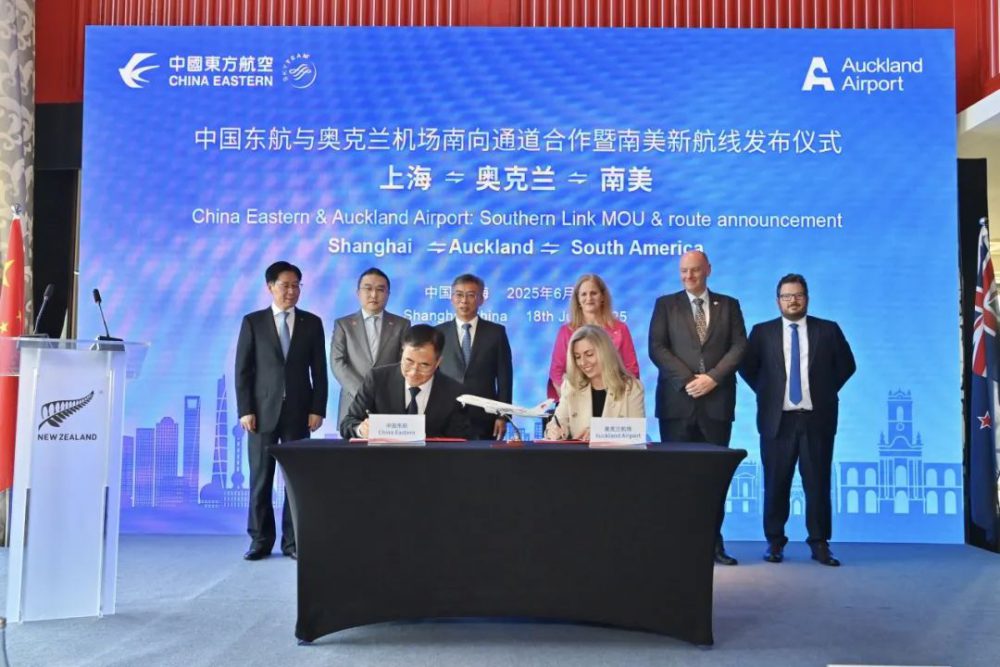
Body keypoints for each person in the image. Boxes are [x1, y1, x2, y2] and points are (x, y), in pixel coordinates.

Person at [739, 274, 856, 567]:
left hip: (817, 420)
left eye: (798, 295)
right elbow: (748, 369)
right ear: (777, 300)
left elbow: (847, 366)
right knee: (775, 483)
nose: (793, 301)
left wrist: (824, 391)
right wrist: (769, 393)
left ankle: (820, 544)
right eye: (786, 296)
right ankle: (774, 542)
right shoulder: (762, 332)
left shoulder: (827, 330)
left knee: (817, 483)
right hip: (777, 421)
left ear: (807, 298)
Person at [648, 249, 746, 565]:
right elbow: (657, 348)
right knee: (676, 480)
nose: (688, 276)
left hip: (717, 404)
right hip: (677, 404)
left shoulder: (729, 305)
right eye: (683, 271)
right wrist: (690, 380)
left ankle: (713, 544)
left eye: (695, 270)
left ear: (708, 270)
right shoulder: (666, 305)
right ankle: (678, 546)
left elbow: (739, 346)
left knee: (714, 480)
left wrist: (713, 378)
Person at [235, 261, 328, 561]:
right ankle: (260, 541)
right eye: (285, 285)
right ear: (270, 287)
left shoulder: (312, 323)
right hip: (261, 414)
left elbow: (320, 371)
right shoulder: (253, 322)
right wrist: (245, 409)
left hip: (299, 412)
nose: (291, 291)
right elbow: (243, 370)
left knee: (294, 481)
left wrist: (317, 408)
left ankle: (293, 542)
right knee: (260, 479)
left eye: (296, 285)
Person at [341, 324, 468, 439]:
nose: (413, 372)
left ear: (438, 362)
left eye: (424, 365)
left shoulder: (454, 392)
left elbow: (460, 439)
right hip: (382, 455)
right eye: (409, 361)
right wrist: (361, 430)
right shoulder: (377, 379)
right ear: (402, 352)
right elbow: (348, 422)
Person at [435, 274, 513, 440]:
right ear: (451, 298)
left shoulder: (496, 333)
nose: (464, 301)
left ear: (481, 299)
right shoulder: (438, 332)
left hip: (485, 417)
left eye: (471, 295)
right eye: (459, 295)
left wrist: (503, 416)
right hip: (446, 415)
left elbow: (505, 378)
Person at [330, 267, 410, 427]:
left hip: (388, 402)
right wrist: (363, 393)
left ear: (388, 294)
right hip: (353, 401)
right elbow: (337, 363)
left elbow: (404, 362)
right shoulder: (344, 324)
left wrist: (381, 394)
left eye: (380, 290)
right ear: (358, 293)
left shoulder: (401, 324)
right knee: (351, 442)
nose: (374, 295)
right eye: (368, 288)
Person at [548, 274, 639, 401]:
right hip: (576, 400)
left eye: (593, 293)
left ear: (602, 297)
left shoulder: (620, 329)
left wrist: (620, 400)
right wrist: (571, 402)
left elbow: (631, 369)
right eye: (583, 294)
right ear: (578, 300)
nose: (589, 298)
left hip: (615, 399)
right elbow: (556, 373)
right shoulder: (566, 331)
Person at [545, 325, 645, 440]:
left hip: (616, 452)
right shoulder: (571, 386)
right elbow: (558, 421)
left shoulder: (632, 388)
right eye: (577, 357)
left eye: (589, 355)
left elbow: (637, 432)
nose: (583, 362)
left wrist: (599, 432)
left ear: (605, 353)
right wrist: (554, 431)